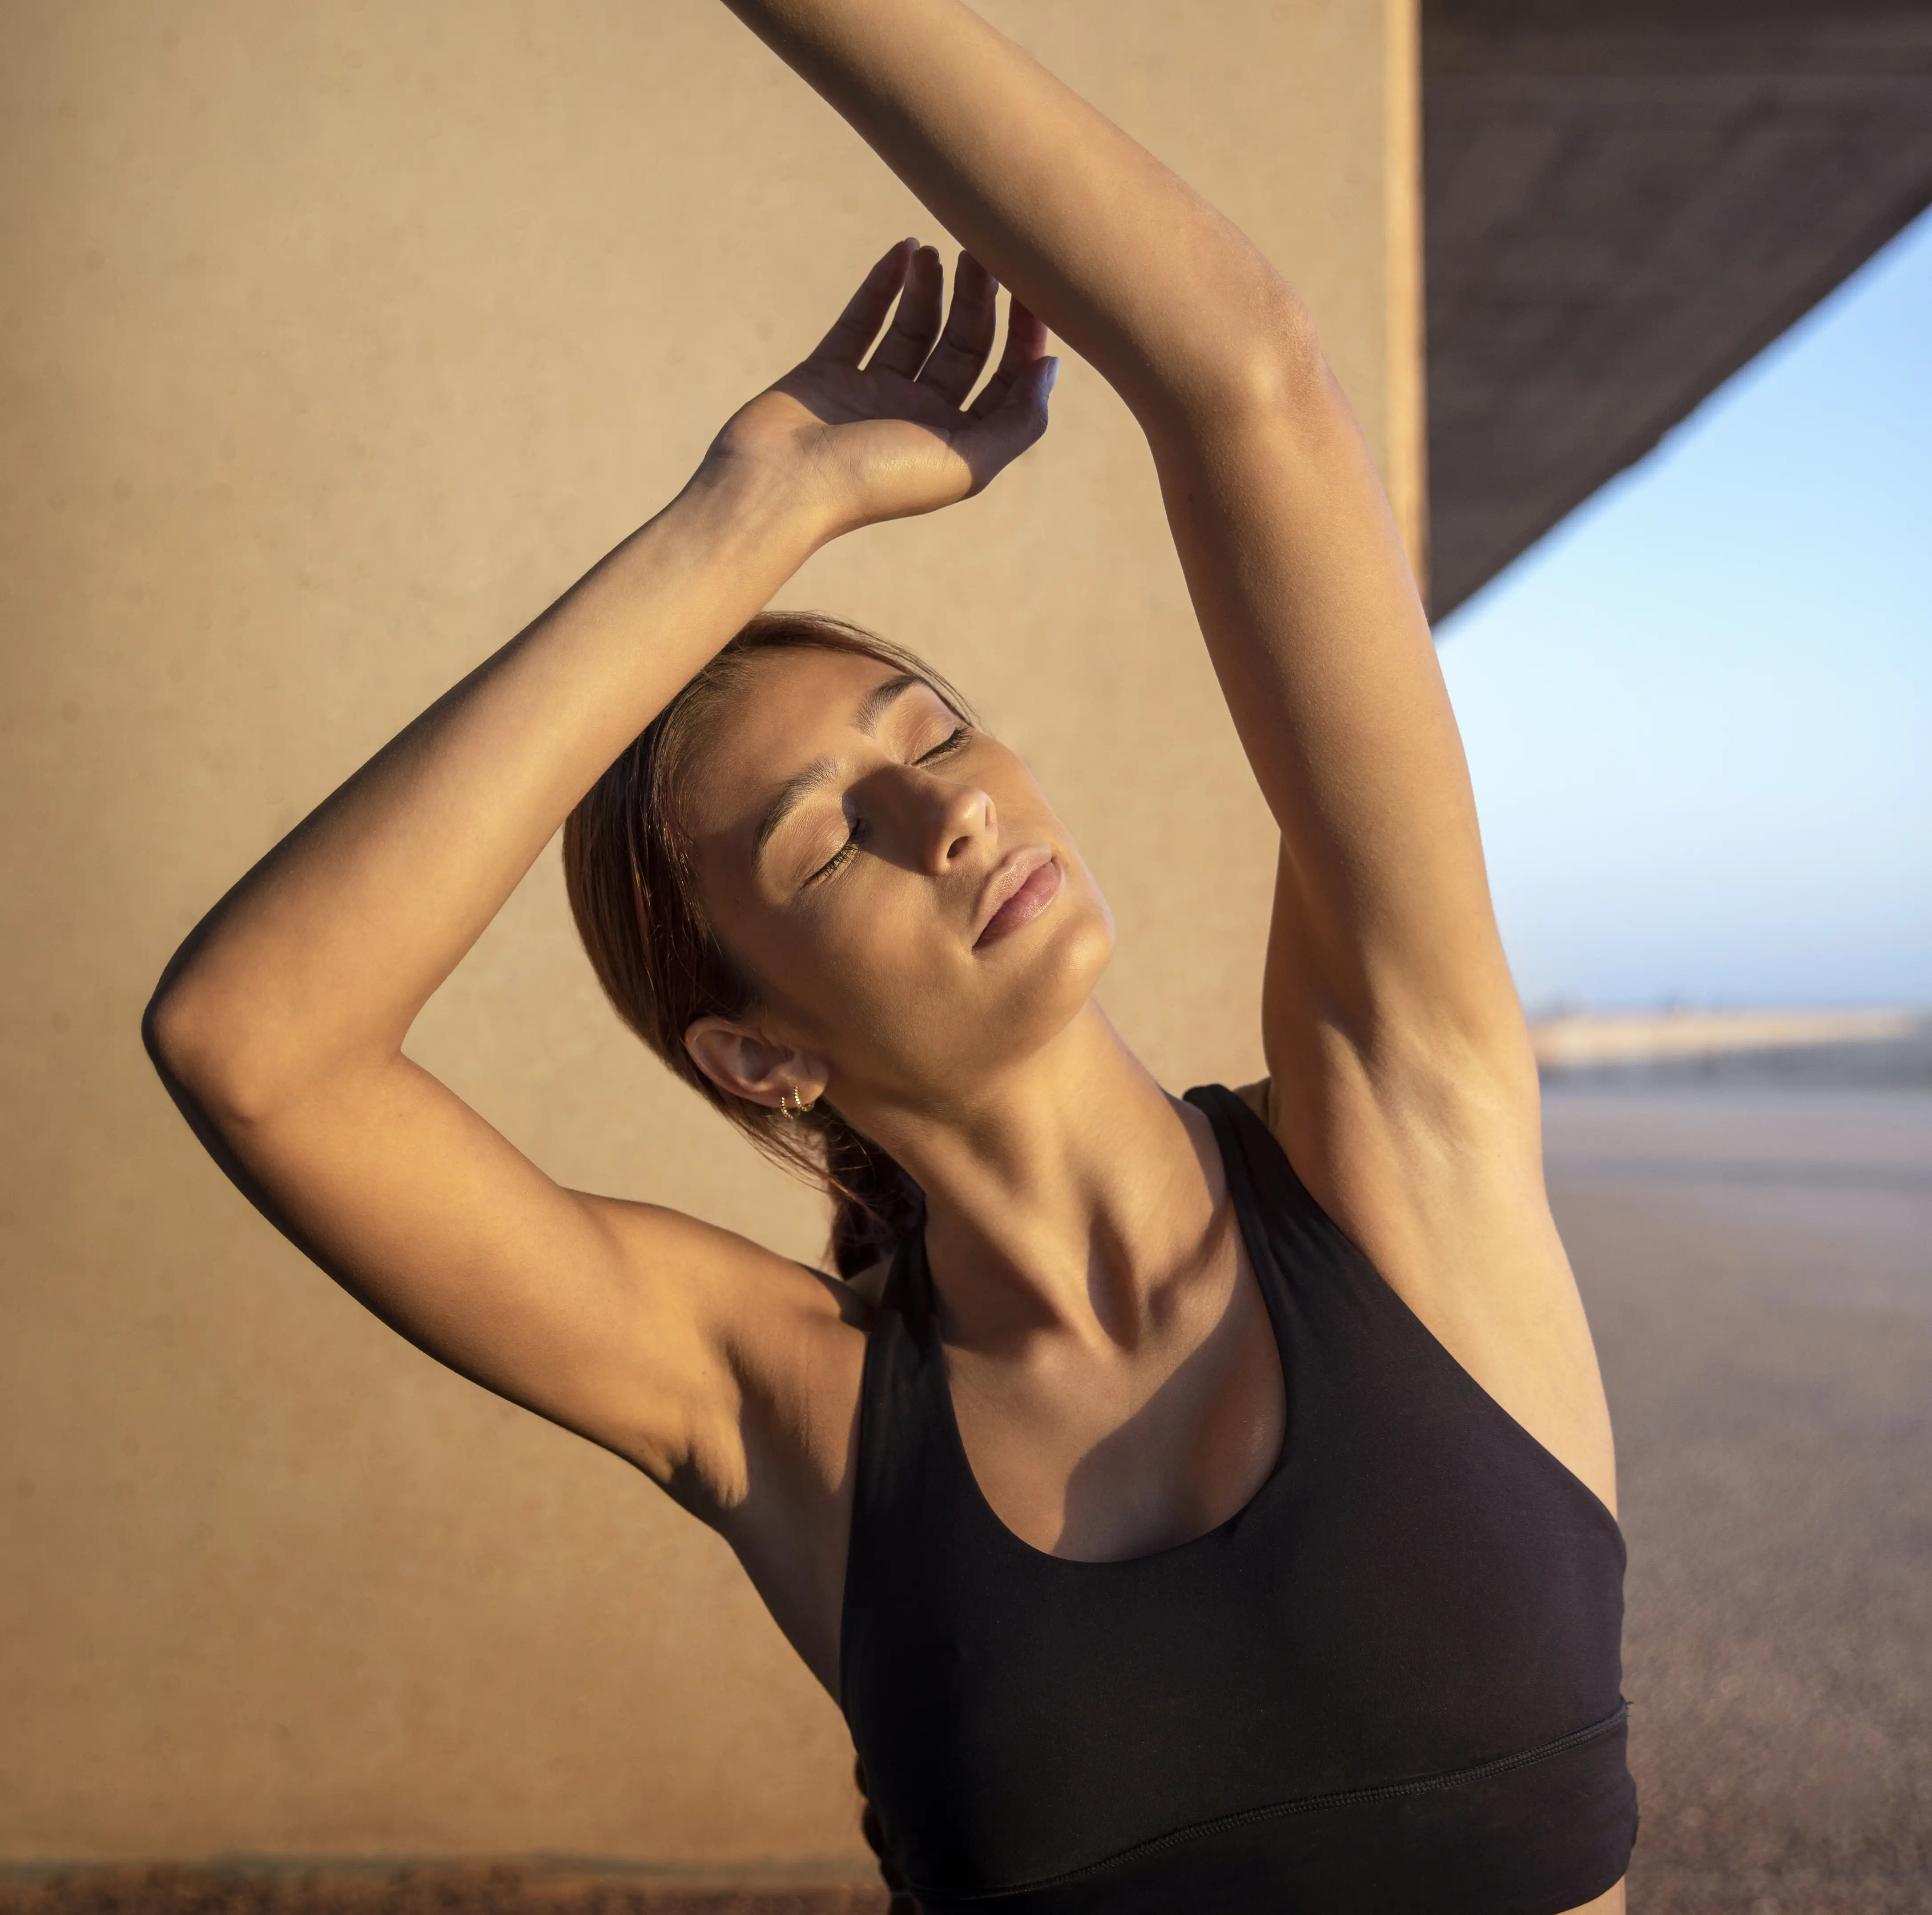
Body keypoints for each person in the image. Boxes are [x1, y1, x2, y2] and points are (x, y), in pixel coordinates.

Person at [144, 0, 1637, 1909]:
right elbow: (253, 1041)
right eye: (832, 833)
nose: (953, 812)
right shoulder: (779, 1400)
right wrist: (748, 516)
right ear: (756, 1052)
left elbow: (1242, 374)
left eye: (929, 729)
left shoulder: (1395, 1122)